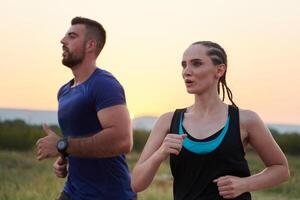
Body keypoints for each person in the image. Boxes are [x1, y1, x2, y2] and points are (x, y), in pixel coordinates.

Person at [131, 41, 289, 199]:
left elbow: (281, 169)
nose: (187, 71)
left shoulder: (245, 120)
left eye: (196, 64)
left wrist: (244, 184)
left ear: (220, 70)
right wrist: (160, 153)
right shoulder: (168, 121)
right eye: (184, 65)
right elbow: (137, 183)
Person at [36, 17, 136, 200]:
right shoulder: (64, 92)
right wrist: (64, 158)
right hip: (73, 191)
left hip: (110, 195)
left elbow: (123, 140)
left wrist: (62, 146)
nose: (63, 41)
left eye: (72, 36)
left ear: (90, 45)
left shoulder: (104, 85)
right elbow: (78, 139)